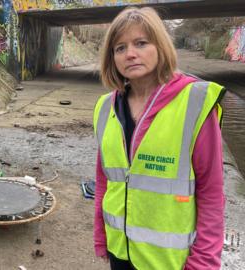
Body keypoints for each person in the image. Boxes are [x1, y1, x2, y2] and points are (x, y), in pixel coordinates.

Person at [93, 7, 225, 270]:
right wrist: (101, 235)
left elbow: (211, 192)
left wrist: (204, 261)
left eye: (141, 43)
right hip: (121, 252)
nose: (130, 53)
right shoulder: (105, 107)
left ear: (160, 46)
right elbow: (104, 180)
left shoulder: (194, 103)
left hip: (172, 261)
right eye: (120, 48)